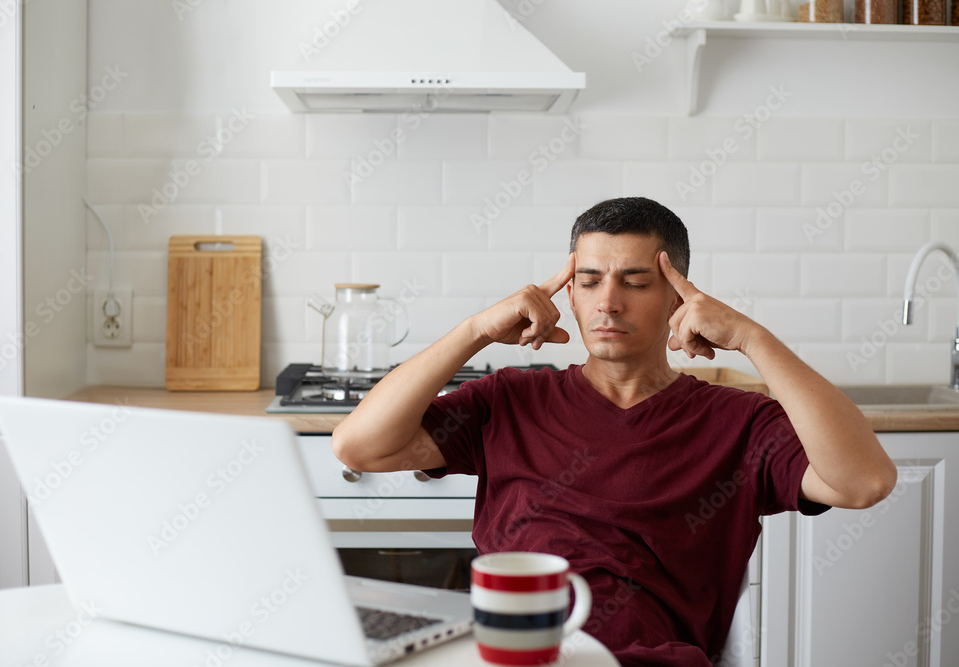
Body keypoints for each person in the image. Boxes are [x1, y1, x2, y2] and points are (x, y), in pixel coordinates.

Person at [332, 197, 897, 666]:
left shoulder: (738, 423)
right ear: (568, 295)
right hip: (504, 652)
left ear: (679, 298)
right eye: (590, 280)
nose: (608, 301)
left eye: (635, 282)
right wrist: (476, 330)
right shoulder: (509, 399)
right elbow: (359, 445)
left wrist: (753, 338)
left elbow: (862, 482)